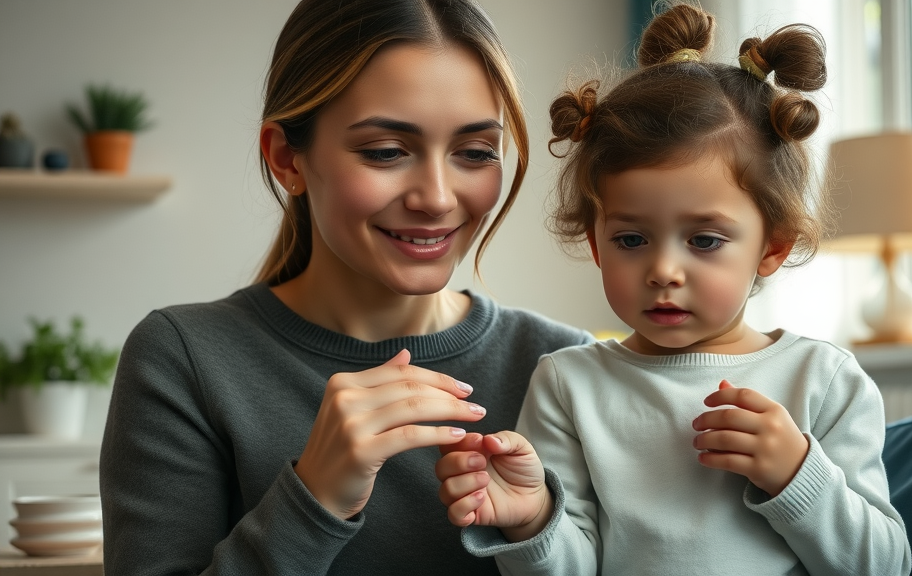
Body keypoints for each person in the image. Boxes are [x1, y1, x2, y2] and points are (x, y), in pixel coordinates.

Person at [98, 1, 592, 574]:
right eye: (385, 152)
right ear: (287, 160)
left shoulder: (563, 365)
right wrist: (313, 499)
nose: (435, 197)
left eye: (475, 153)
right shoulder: (182, 359)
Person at [434, 3, 912, 575]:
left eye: (705, 241)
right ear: (595, 244)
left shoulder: (824, 380)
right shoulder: (569, 384)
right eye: (631, 240)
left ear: (772, 248)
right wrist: (533, 519)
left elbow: (885, 566)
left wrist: (797, 475)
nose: (663, 270)